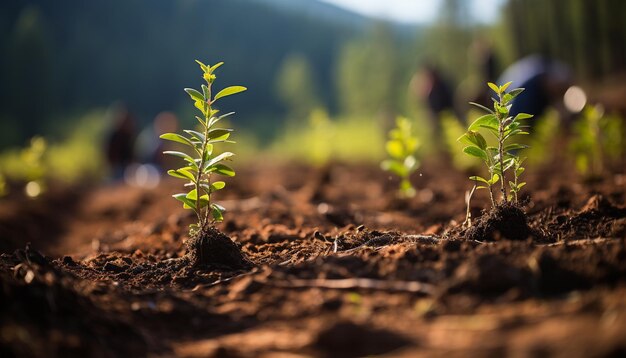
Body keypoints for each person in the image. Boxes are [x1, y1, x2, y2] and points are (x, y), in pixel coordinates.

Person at [497, 54, 572, 121]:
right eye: (560, 89)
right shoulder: (527, 93)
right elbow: (520, 118)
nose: (559, 93)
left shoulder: (543, 69)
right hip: (504, 102)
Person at [105, 104, 136, 181]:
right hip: (118, 168)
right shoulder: (114, 136)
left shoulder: (129, 135)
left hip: (127, 167)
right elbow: (110, 155)